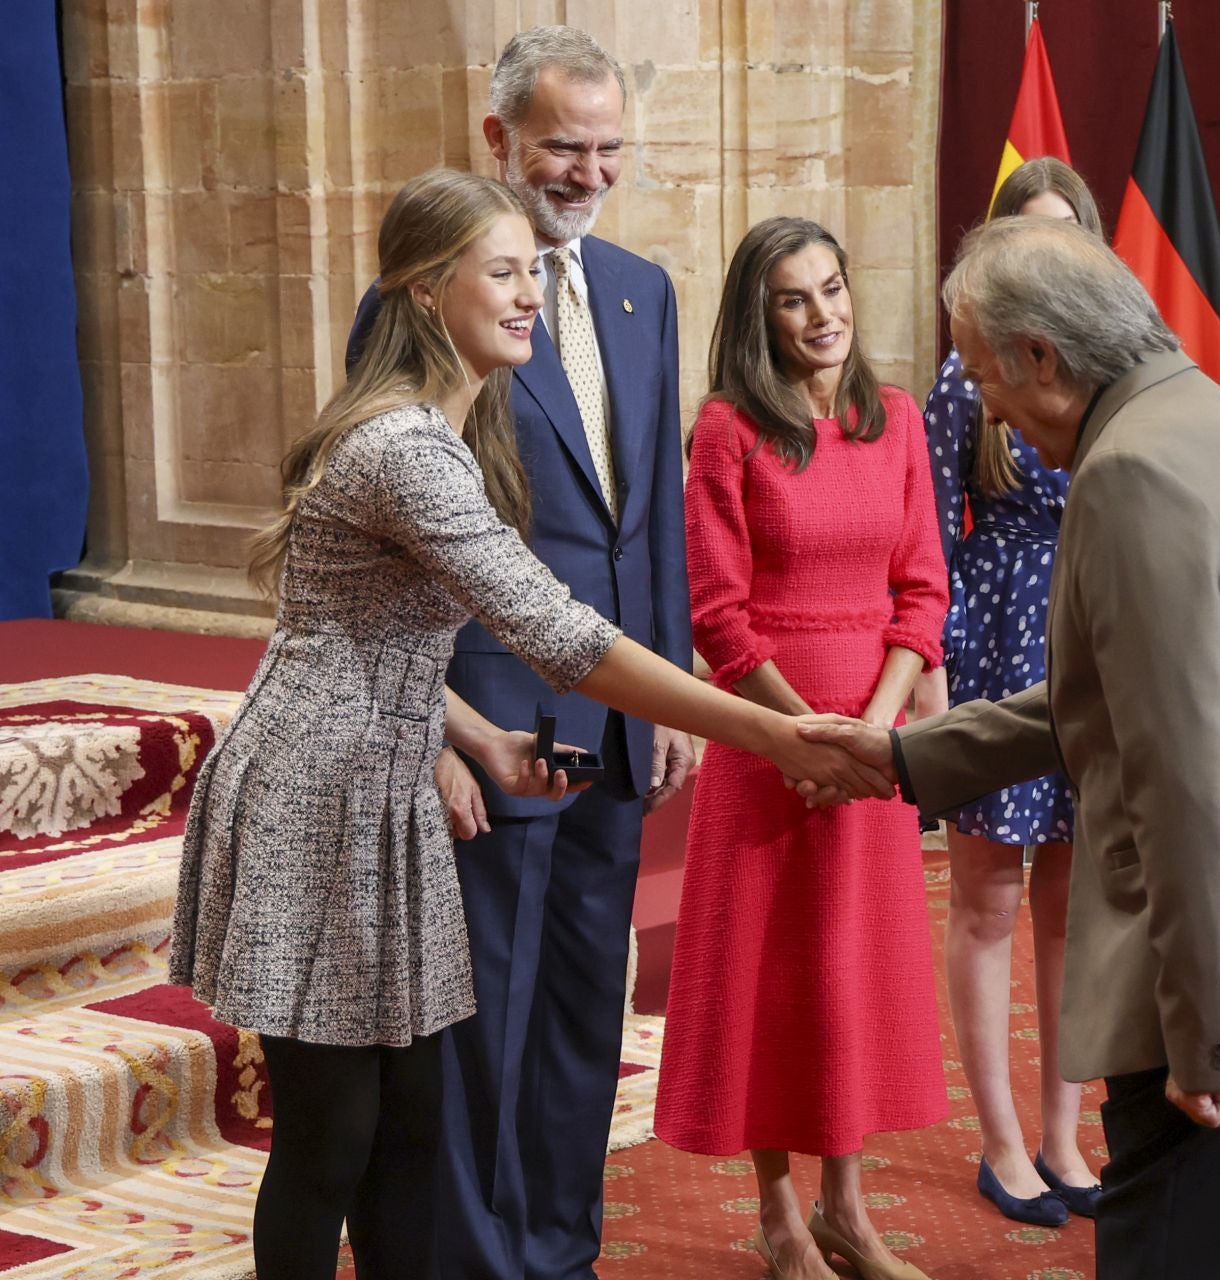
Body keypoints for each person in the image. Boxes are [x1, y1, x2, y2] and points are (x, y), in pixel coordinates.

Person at [170, 169, 886, 1280]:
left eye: (532, 276)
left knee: (411, 1123)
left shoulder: (452, 434)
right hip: (316, 794)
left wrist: (482, 738)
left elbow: (372, 627)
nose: (530, 298)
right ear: (421, 293)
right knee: (332, 1136)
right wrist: (773, 733)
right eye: (503, 275)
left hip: (392, 767)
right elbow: (561, 634)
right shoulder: (408, 447)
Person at [802, 217, 1220, 1280]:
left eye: (983, 375)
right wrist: (902, 756)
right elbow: (1119, 698)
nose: (991, 410)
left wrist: (1204, 1032)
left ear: (1042, 358)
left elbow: (1182, 772)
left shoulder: (1129, 474)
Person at [345, 28, 698, 1277]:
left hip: (613, 724)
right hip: (491, 725)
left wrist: (670, 710)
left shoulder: (646, 291)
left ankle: (559, 1247)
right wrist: (431, 724)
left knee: (581, 1010)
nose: (589, 172)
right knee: (482, 1016)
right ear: (497, 138)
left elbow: (648, 515)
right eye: (562, 146)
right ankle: (472, 1255)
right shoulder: (428, 299)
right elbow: (384, 542)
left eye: (609, 149)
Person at [651, 216, 950, 1280]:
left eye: (833, 289)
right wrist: (798, 737)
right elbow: (719, 615)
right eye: (795, 298)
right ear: (760, 315)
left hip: (872, 743)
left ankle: (850, 1212)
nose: (824, 314)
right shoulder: (730, 430)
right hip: (769, 739)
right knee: (769, 977)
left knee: (848, 975)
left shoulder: (898, 419)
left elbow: (922, 590)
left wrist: (875, 725)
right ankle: (782, 1215)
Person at [911, 156, 1103, 1227]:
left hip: (1096, 634)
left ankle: (1066, 1131)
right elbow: (931, 535)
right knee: (986, 897)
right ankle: (998, 1140)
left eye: (1064, 236)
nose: (1046, 256)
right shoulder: (963, 376)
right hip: (994, 641)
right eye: (1025, 238)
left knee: (1075, 905)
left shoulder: (1113, 367)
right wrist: (935, 681)